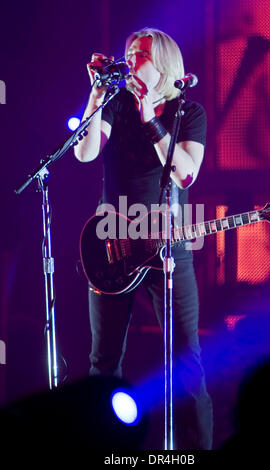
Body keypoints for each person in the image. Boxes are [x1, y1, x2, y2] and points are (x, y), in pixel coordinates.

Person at [74, 28, 213, 450]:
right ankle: (106, 449)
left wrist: (151, 119)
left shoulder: (188, 112)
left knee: (187, 363)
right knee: (104, 364)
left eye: (140, 54)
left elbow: (185, 173)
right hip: (113, 244)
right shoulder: (114, 106)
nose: (130, 58)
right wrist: (96, 97)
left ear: (164, 64)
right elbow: (84, 152)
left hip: (167, 247)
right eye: (129, 52)